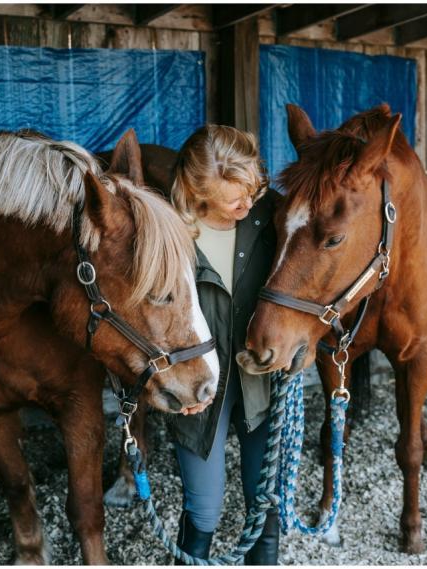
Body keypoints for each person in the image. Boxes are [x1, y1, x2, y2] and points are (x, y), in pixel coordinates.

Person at [166, 124, 279, 565]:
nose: (248, 204)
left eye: (252, 190)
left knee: (264, 503)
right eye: (235, 199)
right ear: (199, 193)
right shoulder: (172, 235)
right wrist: (175, 383)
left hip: (261, 383)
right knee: (204, 510)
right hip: (199, 394)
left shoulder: (271, 218)